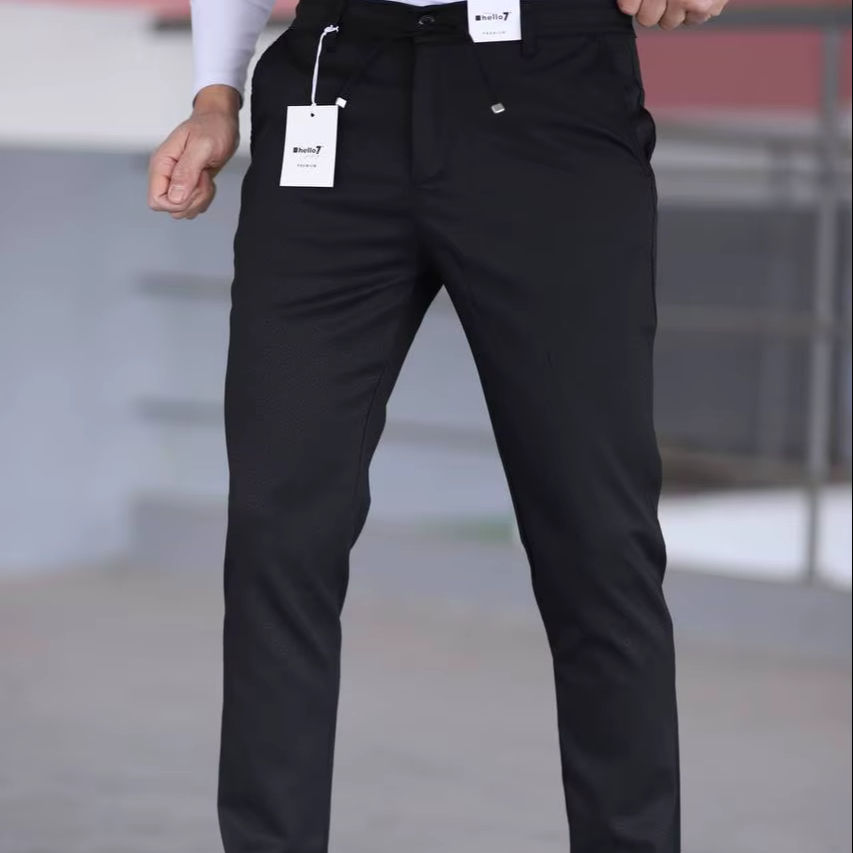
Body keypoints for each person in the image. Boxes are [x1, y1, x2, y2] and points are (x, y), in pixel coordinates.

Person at [148, 0, 727, 848]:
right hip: (334, 80)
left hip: (547, 87)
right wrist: (214, 95)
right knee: (278, 531)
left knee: (597, 537)